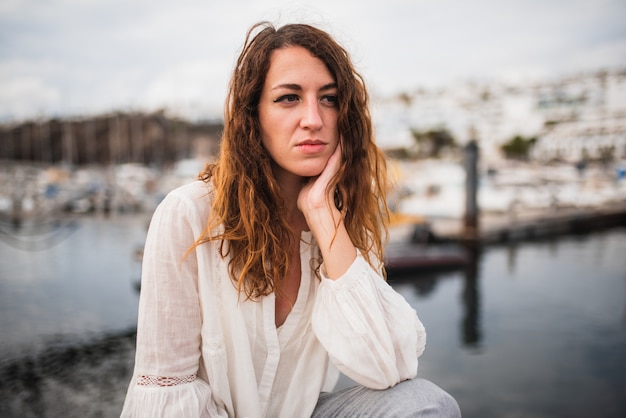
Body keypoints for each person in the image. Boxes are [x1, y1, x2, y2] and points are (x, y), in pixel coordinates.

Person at [121, 21, 461, 418]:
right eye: (288, 98)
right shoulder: (188, 214)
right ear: (253, 115)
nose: (314, 119)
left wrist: (322, 215)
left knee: (425, 403)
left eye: (330, 99)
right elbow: (168, 392)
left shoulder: (344, 223)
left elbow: (390, 368)